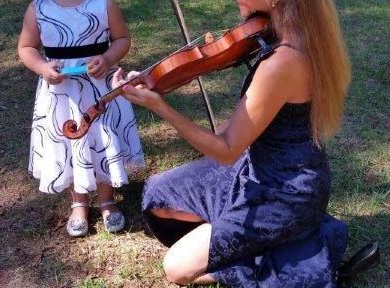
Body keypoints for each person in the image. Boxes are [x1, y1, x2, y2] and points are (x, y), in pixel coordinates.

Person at [114, 0, 351, 286]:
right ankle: (272, 239)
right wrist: (161, 81)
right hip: (257, 168)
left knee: (177, 268)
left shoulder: (282, 63)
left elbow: (226, 151)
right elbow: (246, 121)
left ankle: (290, 259)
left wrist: (161, 107)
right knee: (159, 196)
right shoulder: (294, 33)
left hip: (285, 193)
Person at [18, 0, 144, 237]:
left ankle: (107, 200)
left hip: (100, 88)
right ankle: (79, 203)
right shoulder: (39, 7)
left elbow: (122, 39)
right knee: (71, 143)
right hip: (62, 93)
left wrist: (106, 59)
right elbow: (26, 47)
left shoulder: (104, 4)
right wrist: (42, 68)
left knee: (103, 138)